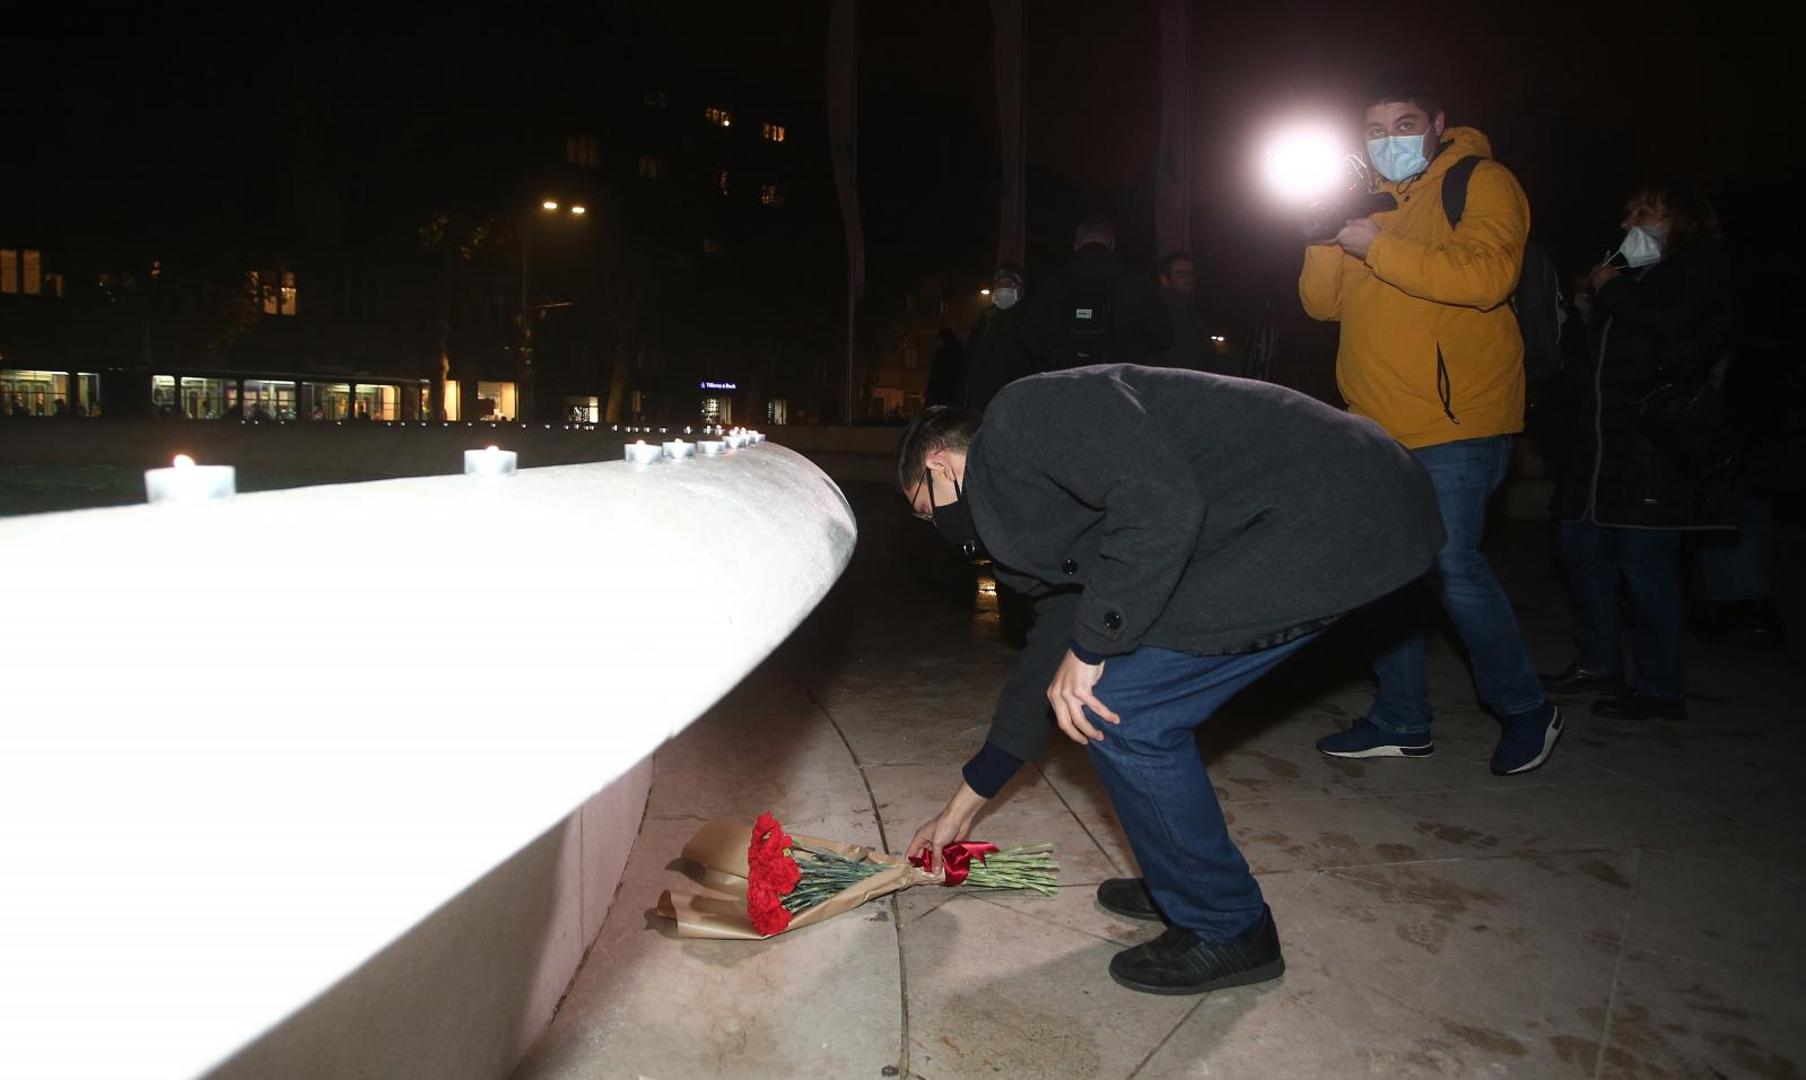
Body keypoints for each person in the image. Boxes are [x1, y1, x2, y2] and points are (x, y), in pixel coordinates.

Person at [899, 365, 1443, 995]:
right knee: (1094, 697)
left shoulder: (1024, 414)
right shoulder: (1042, 510)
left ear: (940, 464)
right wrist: (963, 804)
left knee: (1122, 709)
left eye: (923, 510)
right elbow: (1046, 664)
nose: (939, 531)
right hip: (1307, 512)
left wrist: (1092, 645)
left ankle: (1227, 925)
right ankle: (1181, 880)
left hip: (1339, 504)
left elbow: (1161, 502)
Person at [1298, 77, 1561, 774]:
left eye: (1405, 123)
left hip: (1457, 419)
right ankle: (1401, 716)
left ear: (1438, 123)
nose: (1391, 140)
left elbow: (1487, 276)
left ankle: (1527, 707)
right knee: (1382, 573)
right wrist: (1327, 232)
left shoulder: (1481, 181)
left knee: (1451, 568)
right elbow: (1320, 305)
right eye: (1376, 129)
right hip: (1374, 425)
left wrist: (1375, 245)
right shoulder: (1366, 205)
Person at [1544, 183, 1738, 720]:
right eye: (1627, 211)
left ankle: (1661, 687)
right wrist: (1583, 313)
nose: (1630, 222)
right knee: (1581, 550)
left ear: (1682, 220)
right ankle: (1598, 663)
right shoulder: (1627, 280)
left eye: (1645, 212)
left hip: (1654, 451)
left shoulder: (1701, 268)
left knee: (1645, 566)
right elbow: (1590, 372)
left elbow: (1677, 329)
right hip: (1599, 448)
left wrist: (1610, 293)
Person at [1024, 218, 1171, 370]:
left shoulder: (1053, 283)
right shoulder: (1135, 283)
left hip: (1063, 381)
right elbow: (1163, 339)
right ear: (1113, 244)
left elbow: (1031, 338)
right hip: (1120, 383)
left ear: (1075, 245)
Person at [960, 264, 1031, 413]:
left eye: (1009, 284)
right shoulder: (984, 322)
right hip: (982, 402)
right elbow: (971, 363)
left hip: (1015, 400)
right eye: (1000, 284)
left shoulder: (1028, 321)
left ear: (1019, 288)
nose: (1004, 288)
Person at [1151, 253, 1236, 376]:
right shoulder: (1159, 315)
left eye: (1191, 273)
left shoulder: (1194, 314)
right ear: (1164, 279)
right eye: (1181, 274)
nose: (1188, 278)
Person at [923, 329, 967, 408]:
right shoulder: (959, 352)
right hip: (952, 394)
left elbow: (936, 375)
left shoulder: (943, 354)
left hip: (942, 394)